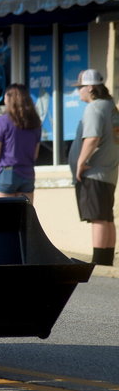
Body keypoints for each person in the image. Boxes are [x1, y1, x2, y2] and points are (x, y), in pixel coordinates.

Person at [68, 69, 119, 266]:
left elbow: (92, 138)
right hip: (108, 172)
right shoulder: (110, 107)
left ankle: (98, 262)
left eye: (80, 87)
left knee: (98, 217)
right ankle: (106, 260)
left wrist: (80, 163)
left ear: (90, 88)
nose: (79, 91)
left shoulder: (95, 108)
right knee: (105, 216)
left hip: (95, 172)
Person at [0, 84, 41, 202]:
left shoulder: (2, 121)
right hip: (27, 172)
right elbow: (35, 155)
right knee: (24, 215)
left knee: (5, 217)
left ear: (9, 98)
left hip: (6, 172)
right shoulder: (35, 123)